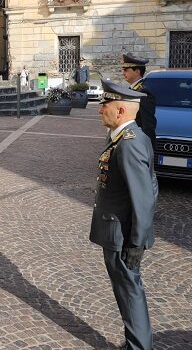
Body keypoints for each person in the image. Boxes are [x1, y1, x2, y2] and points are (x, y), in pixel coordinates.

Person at [91, 79, 157, 350]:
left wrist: (137, 243)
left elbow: (143, 197)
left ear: (120, 111)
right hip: (120, 231)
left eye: (104, 104)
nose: (99, 109)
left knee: (129, 292)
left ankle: (139, 346)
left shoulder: (128, 144)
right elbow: (151, 187)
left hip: (122, 235)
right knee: (127, 290)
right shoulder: (128, 137)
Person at [121, 52, 157, 148]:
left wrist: (146, 147)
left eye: (126, 70)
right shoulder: (133, 89)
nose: (123, 73)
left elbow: (148, 124)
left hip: (137, 142)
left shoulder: (143, 92)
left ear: (137, 71)